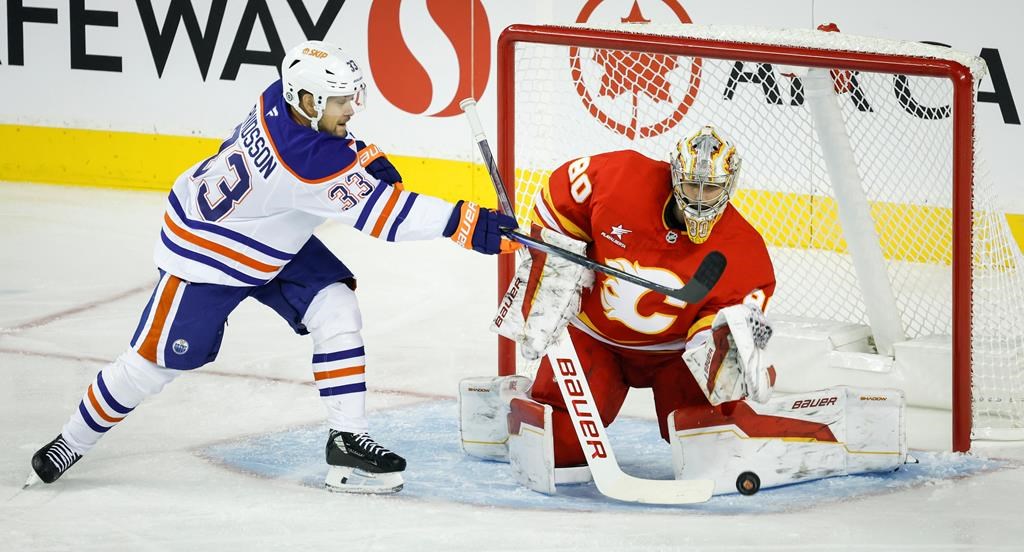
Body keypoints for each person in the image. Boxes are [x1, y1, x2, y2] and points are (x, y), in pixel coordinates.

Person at [27, 40, 518, 495]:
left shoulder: (277, 98)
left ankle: (348, 441)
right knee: (151, 366)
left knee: (336, 307)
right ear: (306, 99)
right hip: (208, 252)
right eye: (339, 100)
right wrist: (467, 223)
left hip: (269, 230)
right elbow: (387, 217)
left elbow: (338, 144)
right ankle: (72, 440)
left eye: (351, 96)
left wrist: (363, 154)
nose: (351, 108)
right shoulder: (307, 162)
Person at [460, 125, 907, 497]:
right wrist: (557, 264)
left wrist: (731, 358)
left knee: (708, 451)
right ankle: (513, 402)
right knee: (561, 453)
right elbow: (557, 204)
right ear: (674, 174)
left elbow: (726, 334)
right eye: (691, 183)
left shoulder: (743, 251)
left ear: (729, 185)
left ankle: (832, 430)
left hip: (674, 355)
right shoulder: (618, 178)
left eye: (710, 186)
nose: (698, 197)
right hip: (594, 337)